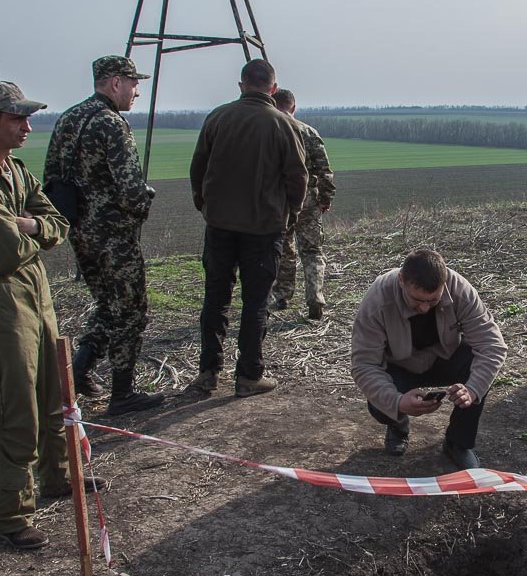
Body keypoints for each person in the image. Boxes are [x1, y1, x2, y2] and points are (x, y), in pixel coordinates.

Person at [0, 82, 98, 550]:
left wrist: (30, 224)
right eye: (17, 118)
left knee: (54, 390)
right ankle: (11, 513)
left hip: (36, 291)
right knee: (15, 408)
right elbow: (5, 250)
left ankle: (59, 476)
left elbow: (58, 224)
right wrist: (34, 231)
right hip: (1, 297)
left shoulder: (15, 169)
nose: (27, 126)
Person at [44, 56, 163, 415]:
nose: (136, 91)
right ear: (115, 83)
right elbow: (130, 187)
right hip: (114, 235)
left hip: (80, 232)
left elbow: (51, 179)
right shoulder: (111, 123)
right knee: (131, 310)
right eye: (133, 83)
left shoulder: (69, 119)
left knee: (107, 304)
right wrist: (142, 205)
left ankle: (78, 370)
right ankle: (123, 392)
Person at [184, 59, 307, 399]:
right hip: (264, 229)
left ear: (241, 86)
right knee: (256, 302)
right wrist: (290, 215)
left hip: (219, 225)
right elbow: (298, 178)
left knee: (215, 298)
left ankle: (208, 373)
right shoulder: (283, 124)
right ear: (273, 88)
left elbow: (197, 168)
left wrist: (205, 206)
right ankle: (249, 375)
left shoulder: (217, 118)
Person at [351, 249, 507, 470]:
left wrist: (471, 390)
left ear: (444, 283)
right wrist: (397, 402)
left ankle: (458, 442)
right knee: (380, 404)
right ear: (401, 280)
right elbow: (364, 364)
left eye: (433, 300)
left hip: (445, 359)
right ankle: (398, 425)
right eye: (416, 299)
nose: (424, 308)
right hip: (399, 366)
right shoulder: (377, 299)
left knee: (478, 368)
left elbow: (492, 345)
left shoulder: (460, 290)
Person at [270, 88, 337, 320]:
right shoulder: (308, 132)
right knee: (312, 251)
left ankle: (282, 296)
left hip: (279, 201)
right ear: (294, 107)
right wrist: (325, 198)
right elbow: (324, 169)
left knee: (283, 248)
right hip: (308, 200)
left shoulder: (270, 131)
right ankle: (315, 298)